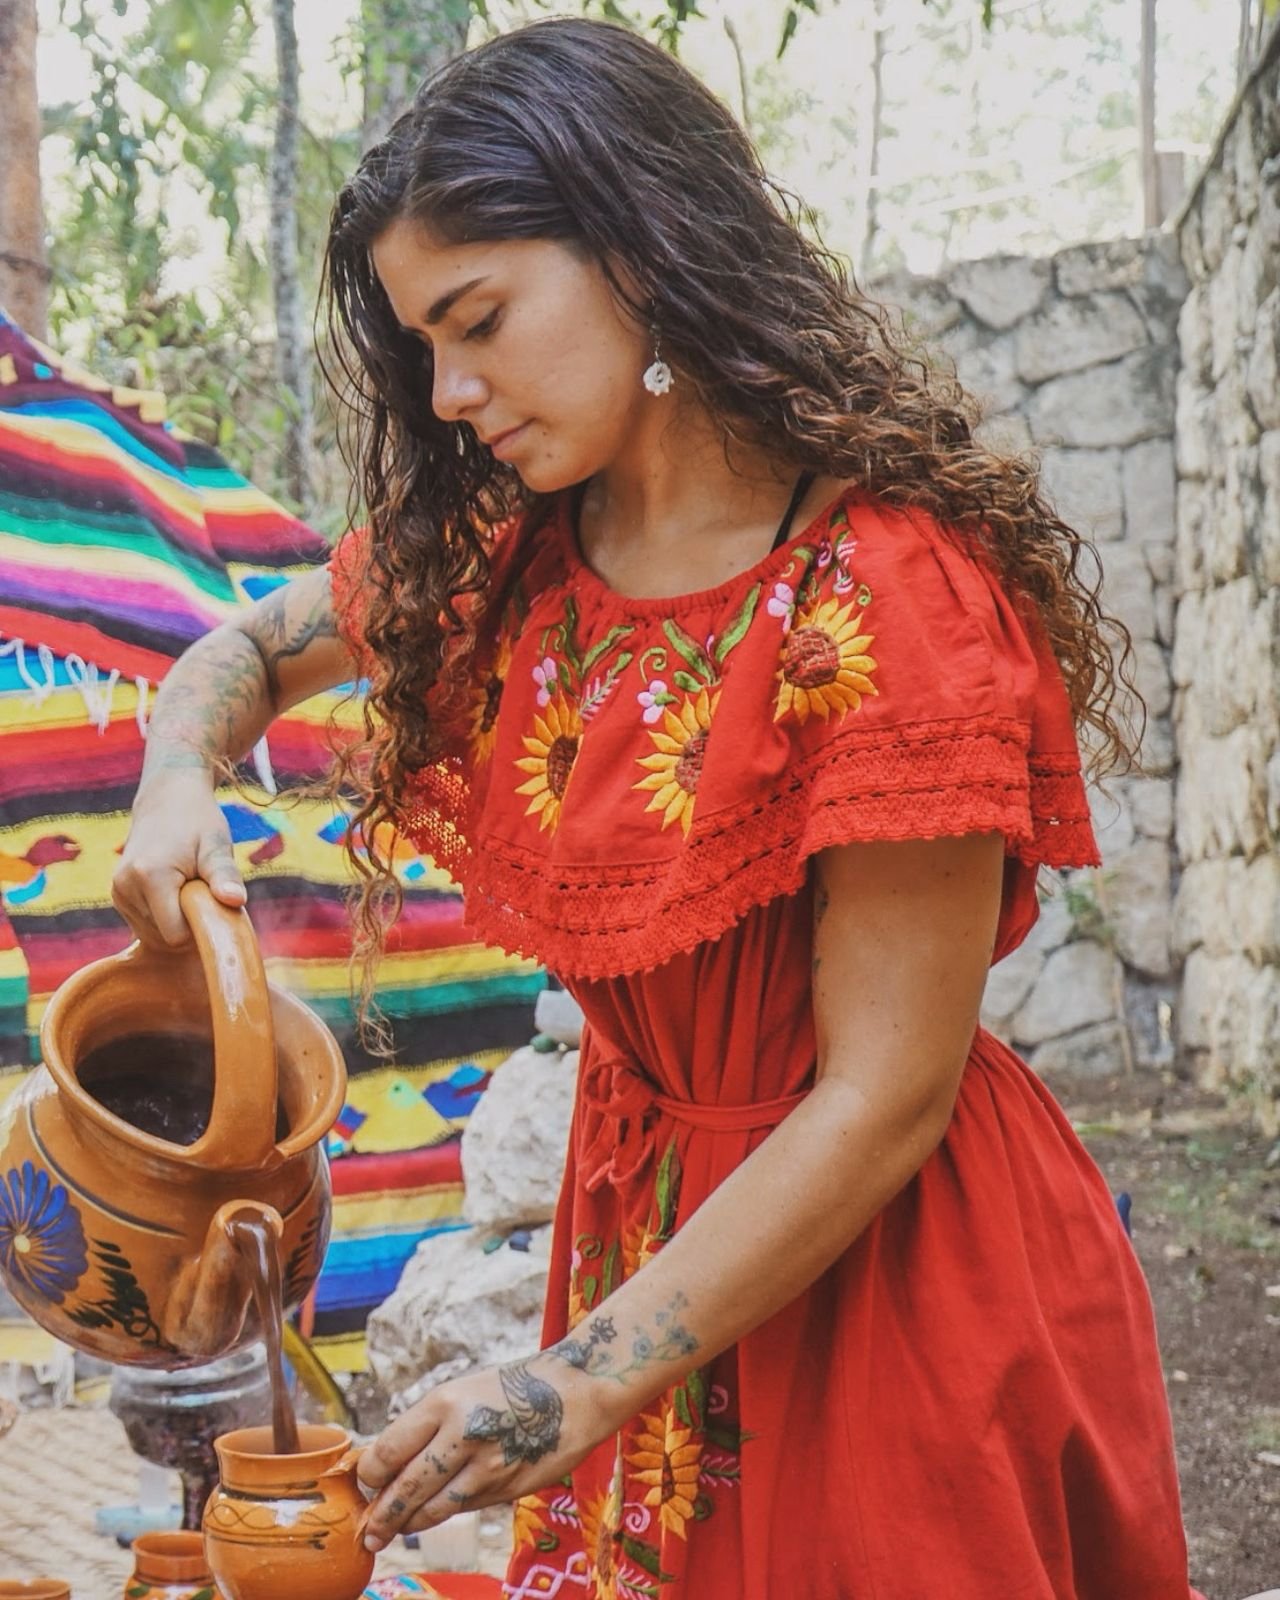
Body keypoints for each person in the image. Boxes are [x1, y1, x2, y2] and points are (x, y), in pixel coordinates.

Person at [112, 19, 1199, 1598]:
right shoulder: (507, 551)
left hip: (893, 1272)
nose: (453, 389)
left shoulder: (890, 598)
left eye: (477, 320)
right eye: (425, 344)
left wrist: (572, 1381)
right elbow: (240, 651)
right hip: (643, 1239)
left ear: (640, 246)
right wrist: (170, 783)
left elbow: (882, 1100)